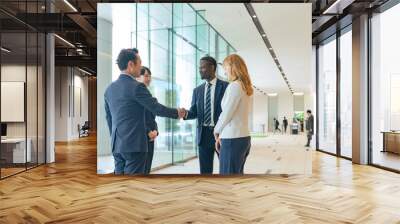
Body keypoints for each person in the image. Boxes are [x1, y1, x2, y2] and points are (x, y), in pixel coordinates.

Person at [104, 48, 186, 175]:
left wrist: (115, 139)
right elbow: (156, 108)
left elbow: (109, 119)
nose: (141, 67)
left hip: (117, 146)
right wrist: (177, 113)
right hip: (134, 145)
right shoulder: (137, 87)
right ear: (131, 64)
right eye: (139, 63)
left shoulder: (109, 89)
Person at [184, 56, 229, 174]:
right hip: (203, 135)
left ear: (212, 67)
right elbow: (194, 112)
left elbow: (228, 111)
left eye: (203, 67)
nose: (200, 70)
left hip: (221, 134)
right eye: (199, 67)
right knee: (205, 172)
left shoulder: (226, 87)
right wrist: (185, 114)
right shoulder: (197, 90)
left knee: (226, 169)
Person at [214, 54, 253, 175]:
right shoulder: (245, 87)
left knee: (227, 179)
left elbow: (227, 113)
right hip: (243, 138)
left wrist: (216, 131)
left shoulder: (235, 86)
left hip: (233, 140)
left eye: (225, 68)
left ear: (233, 67)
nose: (225, 72)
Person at [136, 66, 158, 174]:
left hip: (151, 139)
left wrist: (155, 131)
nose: (148, 78)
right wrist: (148, 131)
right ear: (138, 77)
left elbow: (152, 118)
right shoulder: (136, 95)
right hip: (141, 137)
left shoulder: (149, 96)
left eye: (150, 76)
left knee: (147, 168)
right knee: (141, 170)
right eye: (146, 76)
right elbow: (137, 118)